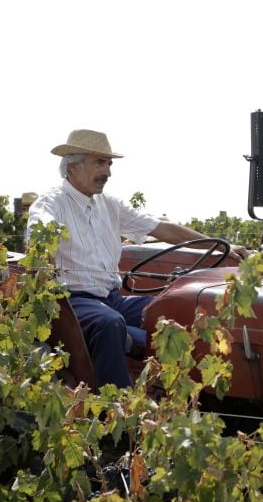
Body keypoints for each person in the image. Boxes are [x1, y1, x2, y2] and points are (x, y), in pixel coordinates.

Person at [27, 129, 247, 389]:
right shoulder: (50, 205)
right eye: (99, 162)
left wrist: (222, 247)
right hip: (73, 302)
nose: (108, 172)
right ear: (72, 166)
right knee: (110, 323)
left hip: (112, 298)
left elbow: (162, 228)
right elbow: (39, 239)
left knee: (172, 310)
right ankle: (117, 409)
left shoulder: (109, 205)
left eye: (109, 164)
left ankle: (177, 391)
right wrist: (48, 280)